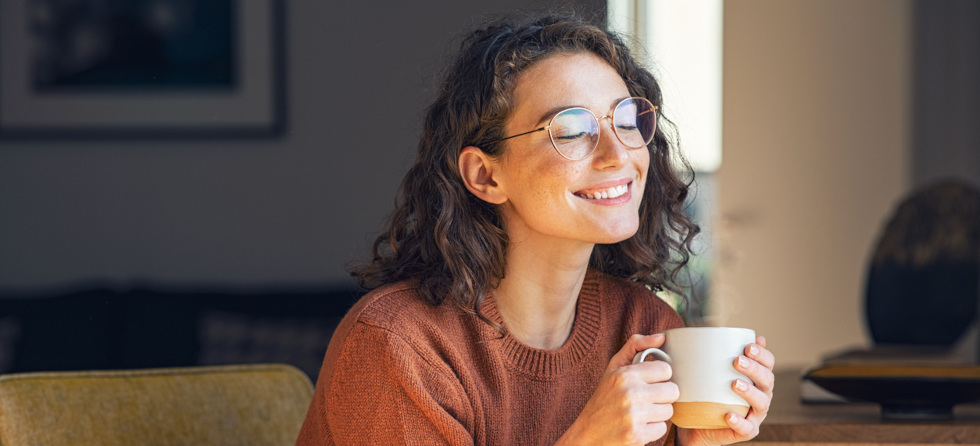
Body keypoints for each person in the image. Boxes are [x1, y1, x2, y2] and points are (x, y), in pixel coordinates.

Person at [297, 12, 775, 446]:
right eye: (570, 131)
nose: (618, 154)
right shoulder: (400, 347)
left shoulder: (644, 328)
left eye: (627, 120)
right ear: (486, 175)